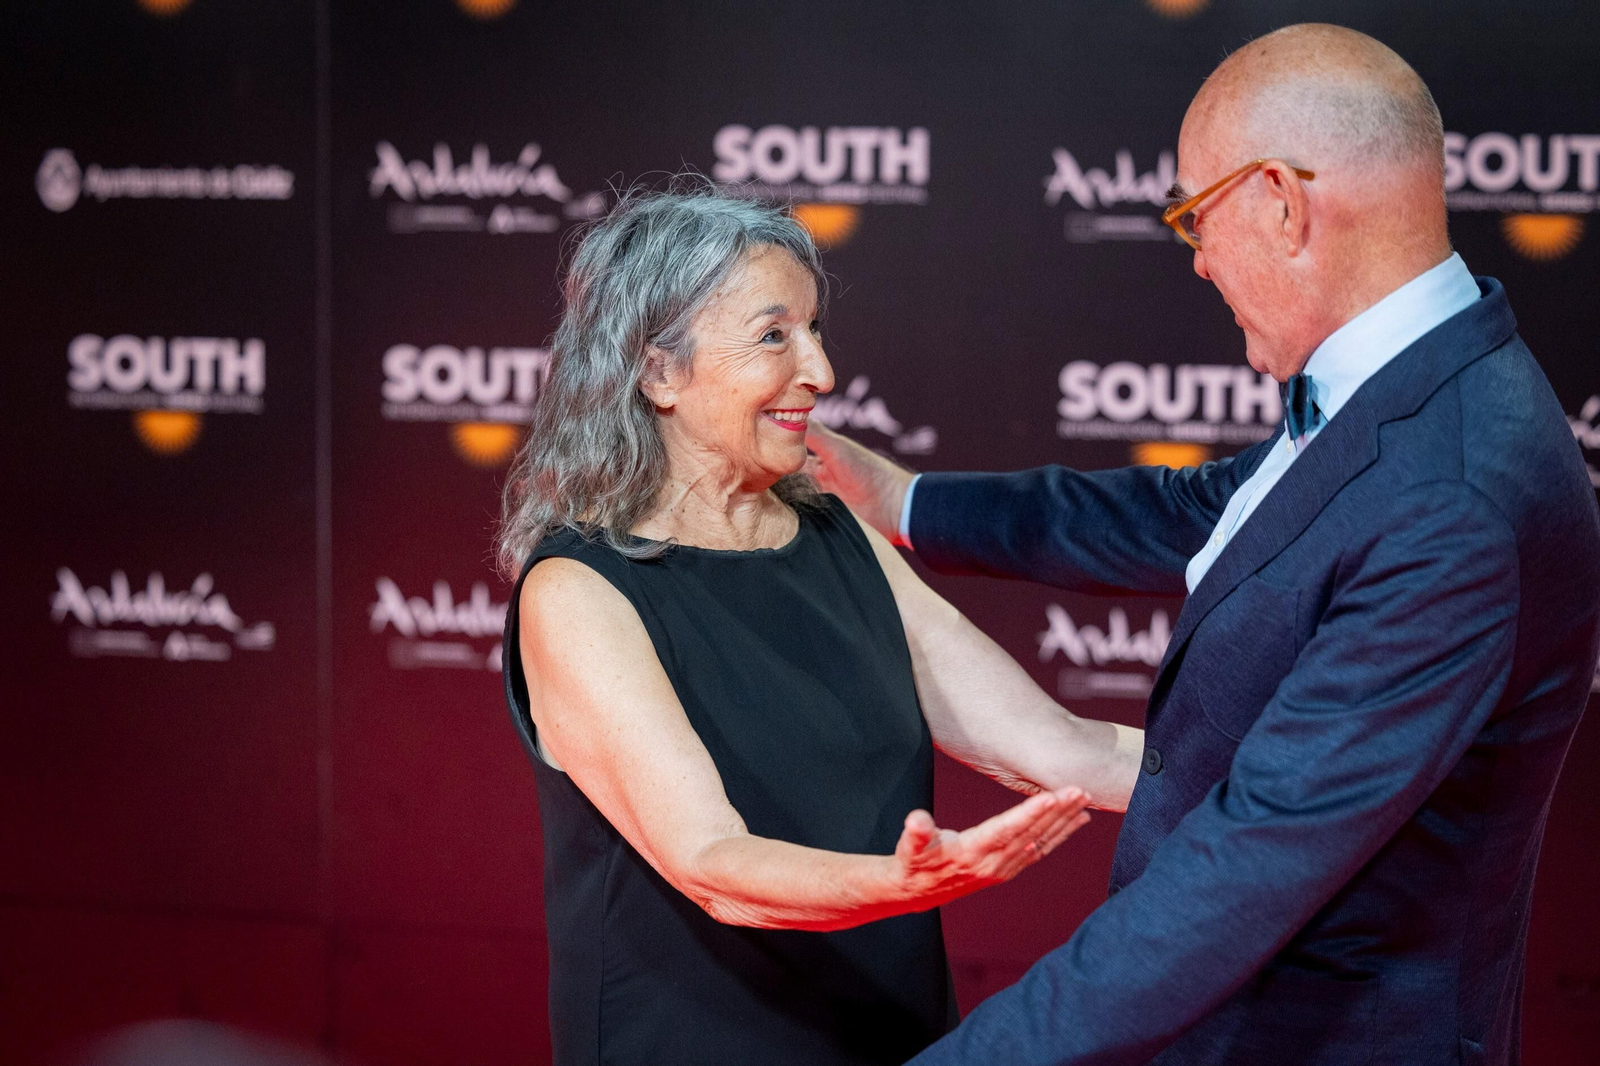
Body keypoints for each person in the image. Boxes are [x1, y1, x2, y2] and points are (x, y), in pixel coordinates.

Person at [807, 23, 1600, 1066]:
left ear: (1280, 201)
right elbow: (1208, 514)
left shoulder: (1450, 493)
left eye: (1193, 214)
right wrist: (905, 498)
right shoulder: (1415, 385)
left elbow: (1246, 865)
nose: (1193, 260)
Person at [495, 184, 1144, 1066]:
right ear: (659, 373)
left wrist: (1294, 771)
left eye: (813, 330)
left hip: (890, 1033)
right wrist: (899, 882)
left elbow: (1064, 750)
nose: (821, 372)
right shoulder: (579, 590)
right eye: (774, 336)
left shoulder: (841, 537)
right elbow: (713, 860)